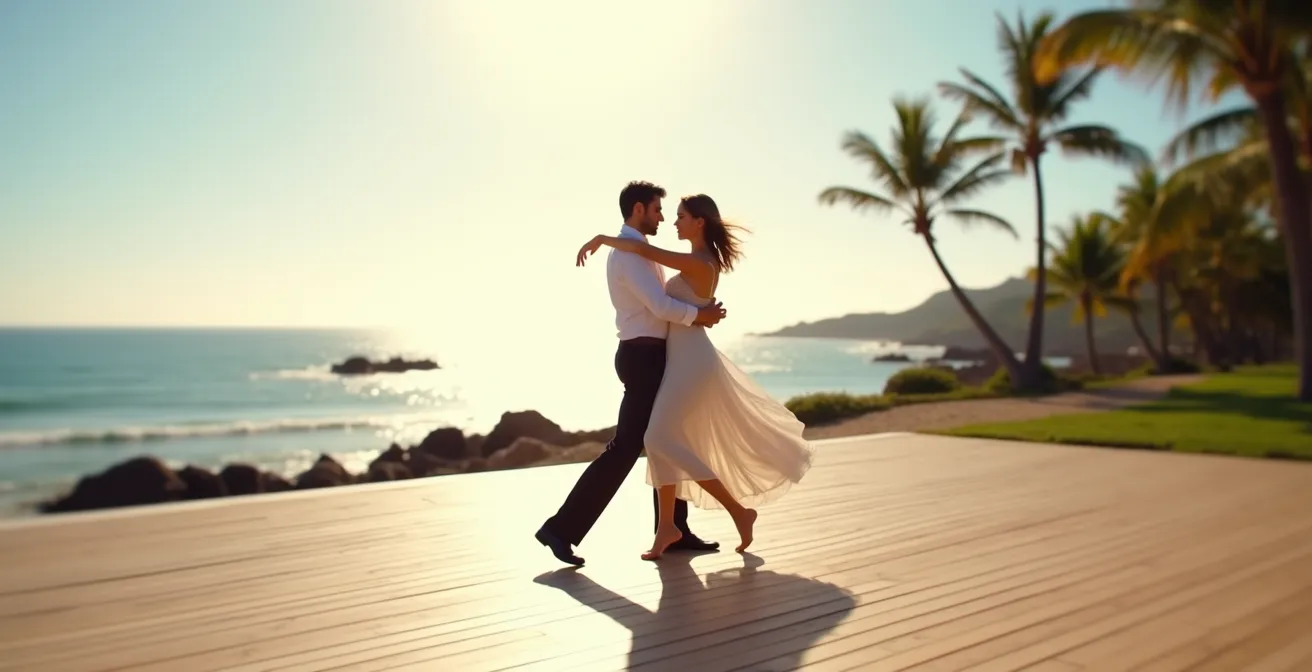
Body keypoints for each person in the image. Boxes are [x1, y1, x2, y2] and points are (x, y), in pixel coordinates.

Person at [576, 193, 815, 560]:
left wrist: (602, 239)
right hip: (680, 360)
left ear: (699, 222)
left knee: (656, 438)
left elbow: (644, 253)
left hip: (692, 362)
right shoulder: (695, 261)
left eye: (681, 216)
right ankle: (667, 529)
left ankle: (739, 511)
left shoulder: (700, 263)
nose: (674, 223)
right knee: (662, 440)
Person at [534, 181, 727, 567]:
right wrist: (699, 315)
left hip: (655, 355)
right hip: (641, 357)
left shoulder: (637, 251)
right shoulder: (628, 257)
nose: (662, 217)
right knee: (627, 447)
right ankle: (560, 529)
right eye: (657, 210)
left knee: (670, 439)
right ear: (639, 209)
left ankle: (673, 529)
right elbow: (659, 306)